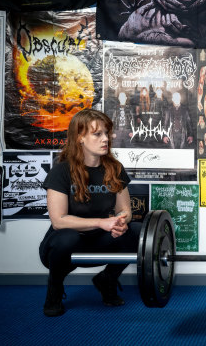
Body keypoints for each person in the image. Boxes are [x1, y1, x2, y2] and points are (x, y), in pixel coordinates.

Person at [39, 109, 141, 317]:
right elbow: (59, 221)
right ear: (80, 138)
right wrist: (101, 223)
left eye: (106, 133)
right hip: (62, 247)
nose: (105, 139)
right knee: (67, 237)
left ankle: (107, 280)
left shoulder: (114, 168)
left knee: (137, 232)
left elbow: (125, 210)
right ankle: (54, 290)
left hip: (100, 242)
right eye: (97, 134)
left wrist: (120, 221)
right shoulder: (61, 171)